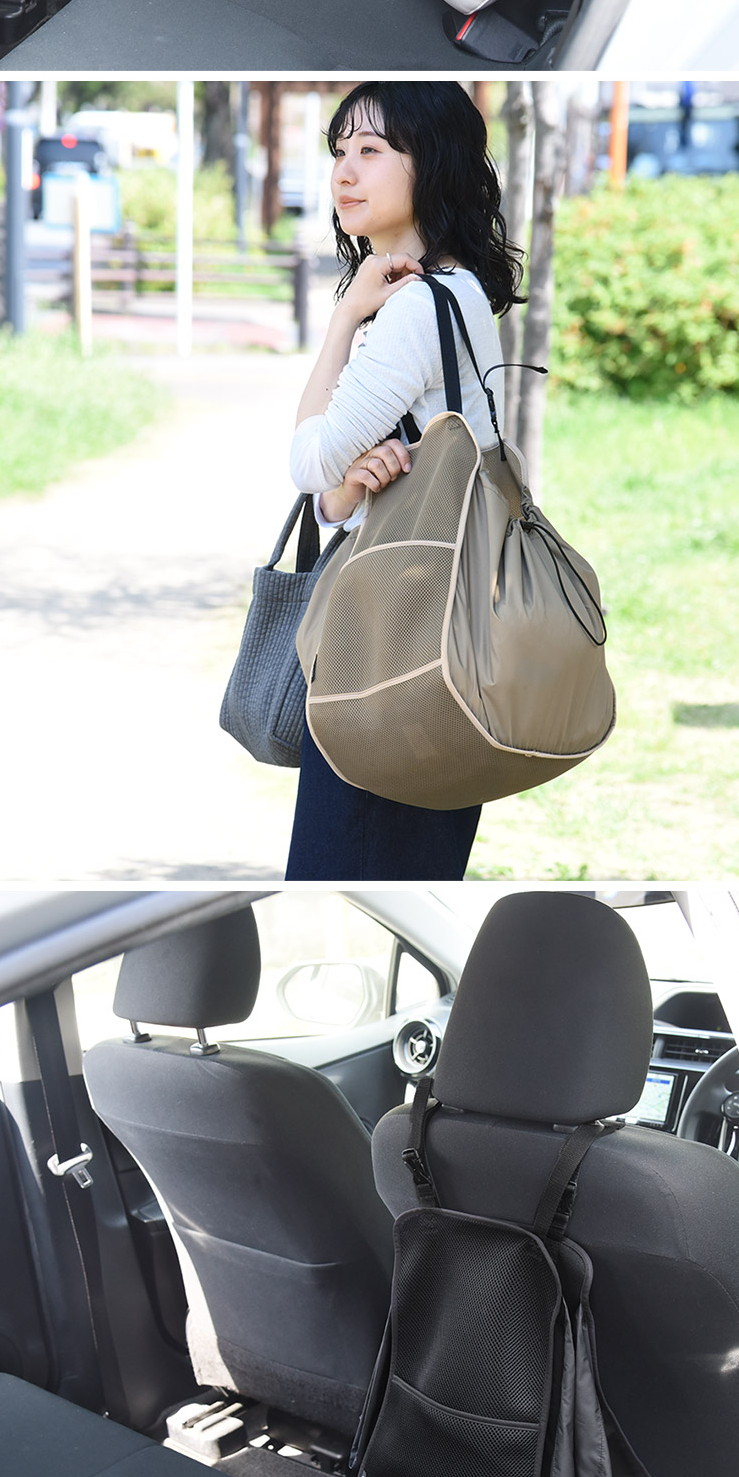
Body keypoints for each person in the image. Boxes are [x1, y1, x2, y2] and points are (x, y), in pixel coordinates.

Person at [285, 81, 523, 884]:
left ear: (434, 163)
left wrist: (343, 319)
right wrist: (345, 491)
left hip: (388, 648)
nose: (344, 172)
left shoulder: (417, 307)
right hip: (448, 642)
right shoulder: (462, 293)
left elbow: (309, 461)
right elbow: (337, 490)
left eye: (372, 150)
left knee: (344, 869)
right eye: (338, 151)